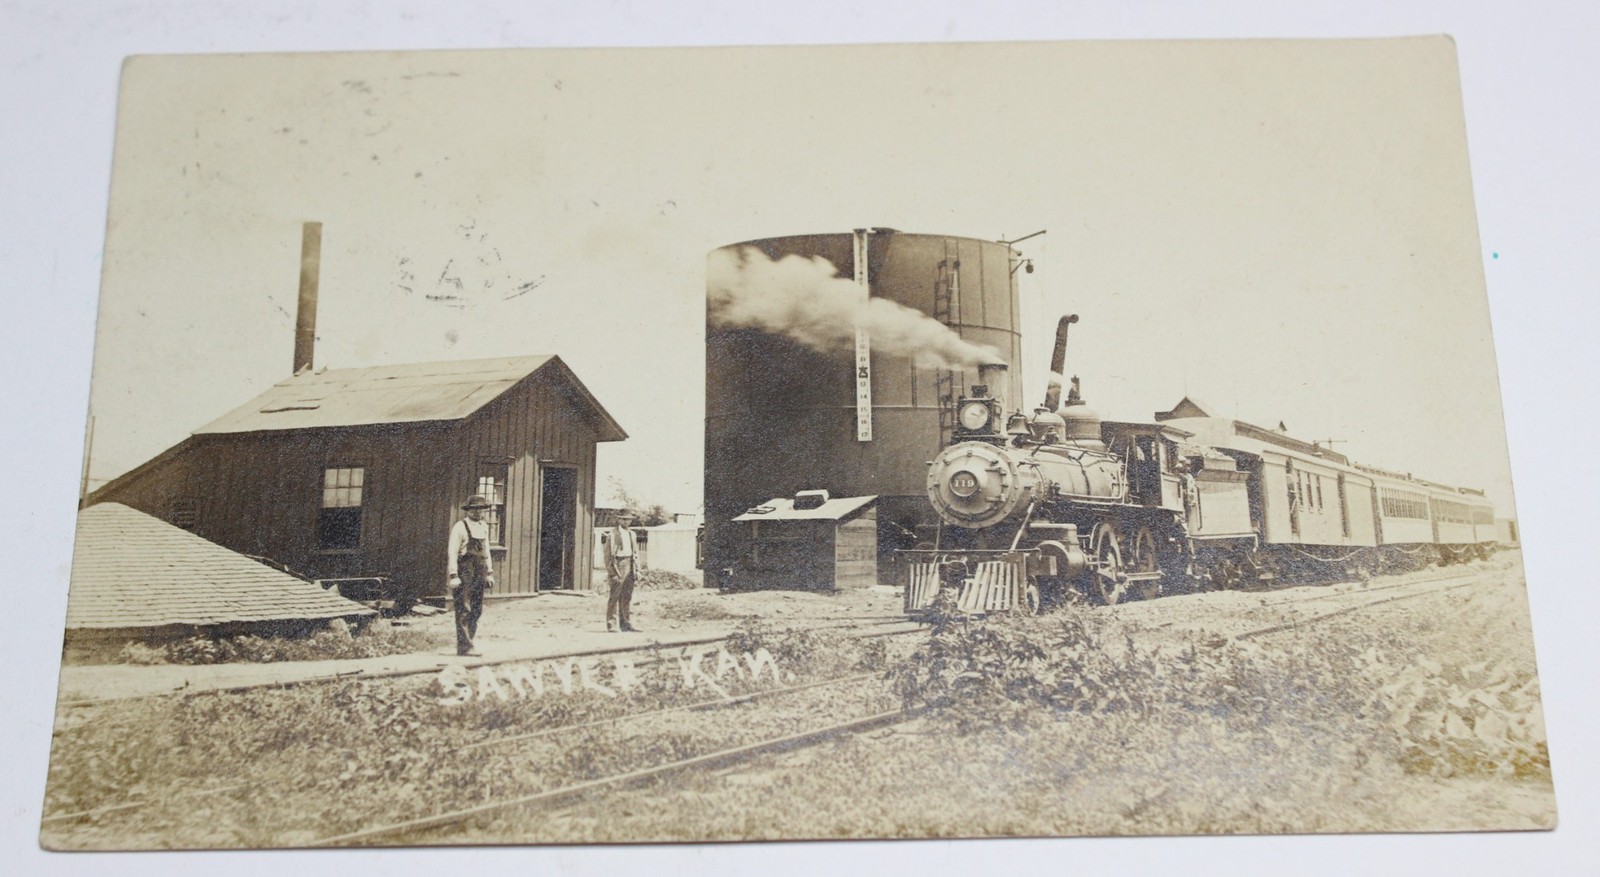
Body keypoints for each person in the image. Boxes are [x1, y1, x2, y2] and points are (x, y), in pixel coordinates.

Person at [447, 494, 496, 656]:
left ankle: (469, 642)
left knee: (477, 609)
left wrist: (489, 572)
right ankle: (464, 646)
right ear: (468, 511)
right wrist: (453, 574)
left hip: (480, 571)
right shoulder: (460, 527)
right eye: (474, 510)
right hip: (465, 571)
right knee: (463, 608)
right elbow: (452, 552)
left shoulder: (483, 526)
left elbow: (486, 551)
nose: (478, 513)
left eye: (481, 510)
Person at [604, 510, 639, 632]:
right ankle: (611, 624)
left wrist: (637, 569)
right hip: (618, 564)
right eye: (623, 519)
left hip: (630, 563)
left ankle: (625, 623)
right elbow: (607, 555)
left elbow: (635, 553)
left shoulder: (632, 534)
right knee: (615, 595)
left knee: (627, 596)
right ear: (618, 520)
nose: (626, 521)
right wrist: (612, 572)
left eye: (628, 519)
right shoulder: (612, 535)